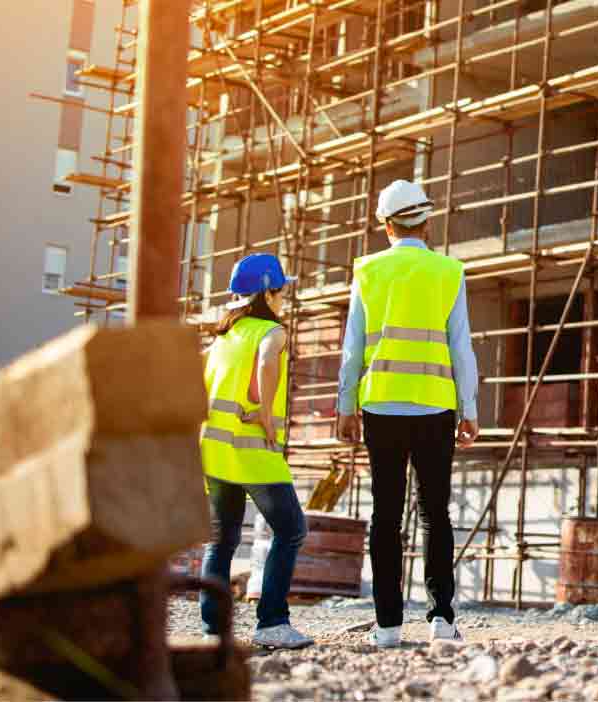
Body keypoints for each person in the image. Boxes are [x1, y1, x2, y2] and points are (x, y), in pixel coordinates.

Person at [337, 179, 482, 647]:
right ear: (428, 220)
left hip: (380, 405)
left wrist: (345, 404)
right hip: (436, 406)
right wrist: (470, 406)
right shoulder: (448, 272)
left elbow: (352, 345)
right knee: (435, 514)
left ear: (386, 225)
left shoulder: (368, 271)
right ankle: (441, 618)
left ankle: (387, 626)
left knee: (385, 515)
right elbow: (462, 346)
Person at [199, 253, 315, 650]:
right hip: (253, 451)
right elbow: (267, 363)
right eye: (281, 290)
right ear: (268, 291)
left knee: (222, 540)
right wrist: (265, 415)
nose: (283, 297)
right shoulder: (272, 332)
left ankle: (213, 632)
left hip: (214, 452)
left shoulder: (222, 337)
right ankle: (271, 623)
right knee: (291, 529)